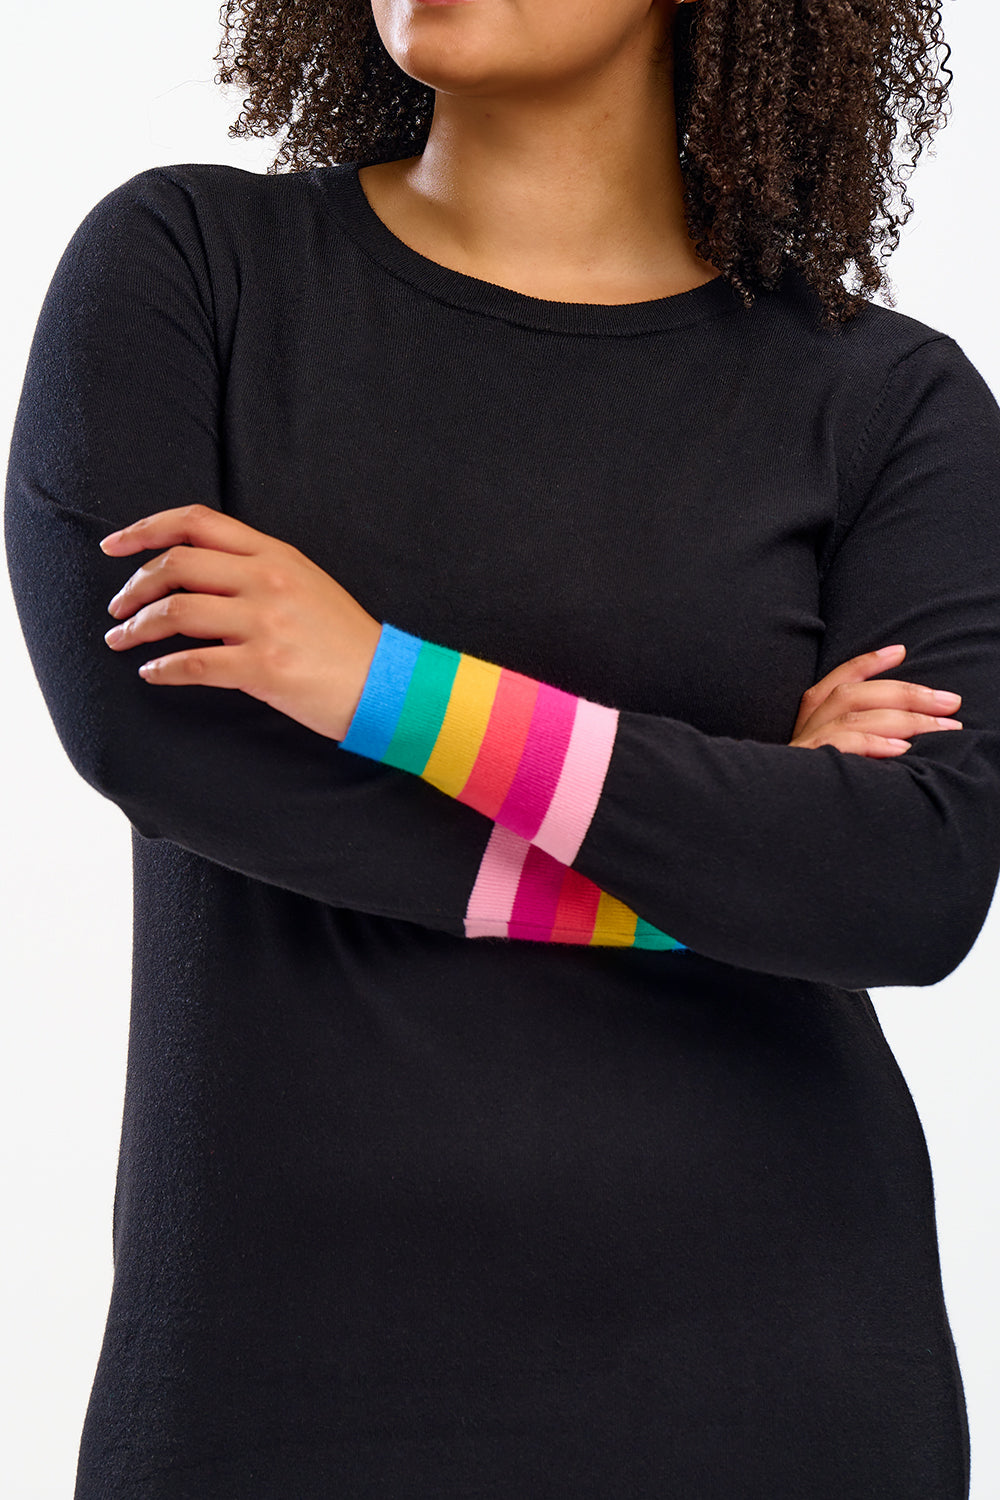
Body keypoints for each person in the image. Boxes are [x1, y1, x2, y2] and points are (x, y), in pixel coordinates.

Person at [5, 0, 999, 1494]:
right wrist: (738, 858)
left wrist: (376, 684)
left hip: (770, 1370)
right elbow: (164, 738)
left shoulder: (890, 403)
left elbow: (909, 886)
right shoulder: (188, 270)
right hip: (276, 1373)